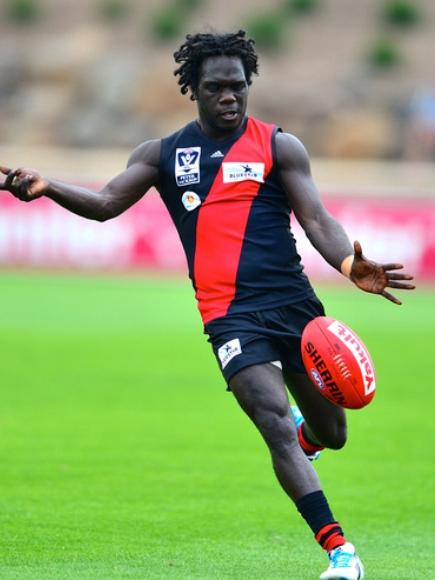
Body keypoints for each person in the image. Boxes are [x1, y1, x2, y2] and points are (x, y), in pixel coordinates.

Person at [0, 30, 414, 580]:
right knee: (271, 422)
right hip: (229, 318)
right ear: (192, 89)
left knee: (332, 434)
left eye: (238, 87)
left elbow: (317, 220)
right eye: (216, 87)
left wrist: (346, 265)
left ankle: (308, 434)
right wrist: (47, 187)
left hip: (295, 308)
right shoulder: (164, 154)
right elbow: (104, 205)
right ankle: (342, 554)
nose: (229, 97)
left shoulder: (278, 146)